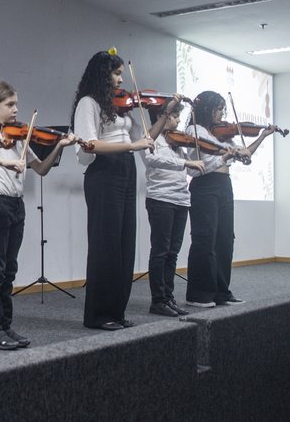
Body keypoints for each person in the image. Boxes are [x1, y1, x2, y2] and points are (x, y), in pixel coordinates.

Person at [70, 49, 180, 330]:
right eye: (116, 73)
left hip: (126, 169)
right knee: (104, 245)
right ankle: (98, 314)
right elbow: (89, 144)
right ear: (102, 74)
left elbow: (145, 139)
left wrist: (163, 115)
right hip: (104, 172)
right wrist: (132, 146)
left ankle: (116, 311)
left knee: (123, 244)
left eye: (121, 73)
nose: (121, 79)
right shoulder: (88, 103)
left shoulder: (121, 107)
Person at [0, 79, 76, 349]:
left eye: (17, 104)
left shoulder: (17, 137)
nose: (17, 109)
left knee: (9, 270)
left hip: (16, 206)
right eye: (10, 104)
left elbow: (40, 169)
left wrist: (59, 146)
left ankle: (5, 325)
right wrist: (1, 159)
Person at [184, 91, 274, 308]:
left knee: (225, 239)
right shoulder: (194, 129)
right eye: (218, 108)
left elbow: (245, 154)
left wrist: (262, 136)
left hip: (224, 185)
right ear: (206, 109)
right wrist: (227, 155)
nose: (221, 113)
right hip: (205, 186)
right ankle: (199, 294)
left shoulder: (222, 134)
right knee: (205, 240)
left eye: (223, 109)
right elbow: (204, 163)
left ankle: (222, 292)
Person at [140, 102, 229, 317]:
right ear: (163, 116)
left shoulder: (178, 143)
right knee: (160, 252)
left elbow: (196, 171)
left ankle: (168, 298)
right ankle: (158, 300)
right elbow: (150, 160)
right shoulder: (151, 138)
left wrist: (222, 159)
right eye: (174, 116)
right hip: (161, 198)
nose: (179, 121)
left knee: (172, 253)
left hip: (181, 200)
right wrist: (185, 164)